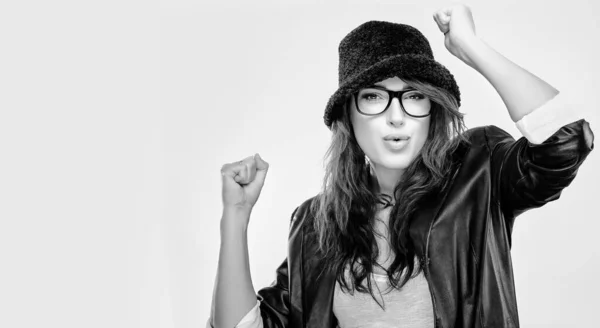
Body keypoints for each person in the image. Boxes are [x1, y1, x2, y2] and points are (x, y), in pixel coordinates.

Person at [210, 4, 594, 328]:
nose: (397, 117)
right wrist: (236, 215)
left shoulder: (479, 172)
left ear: (432, 110)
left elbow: (565, 142)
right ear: (349, 115)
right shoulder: (316, 223)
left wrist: (471, 47)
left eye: (413, 96)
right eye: (375, 97)